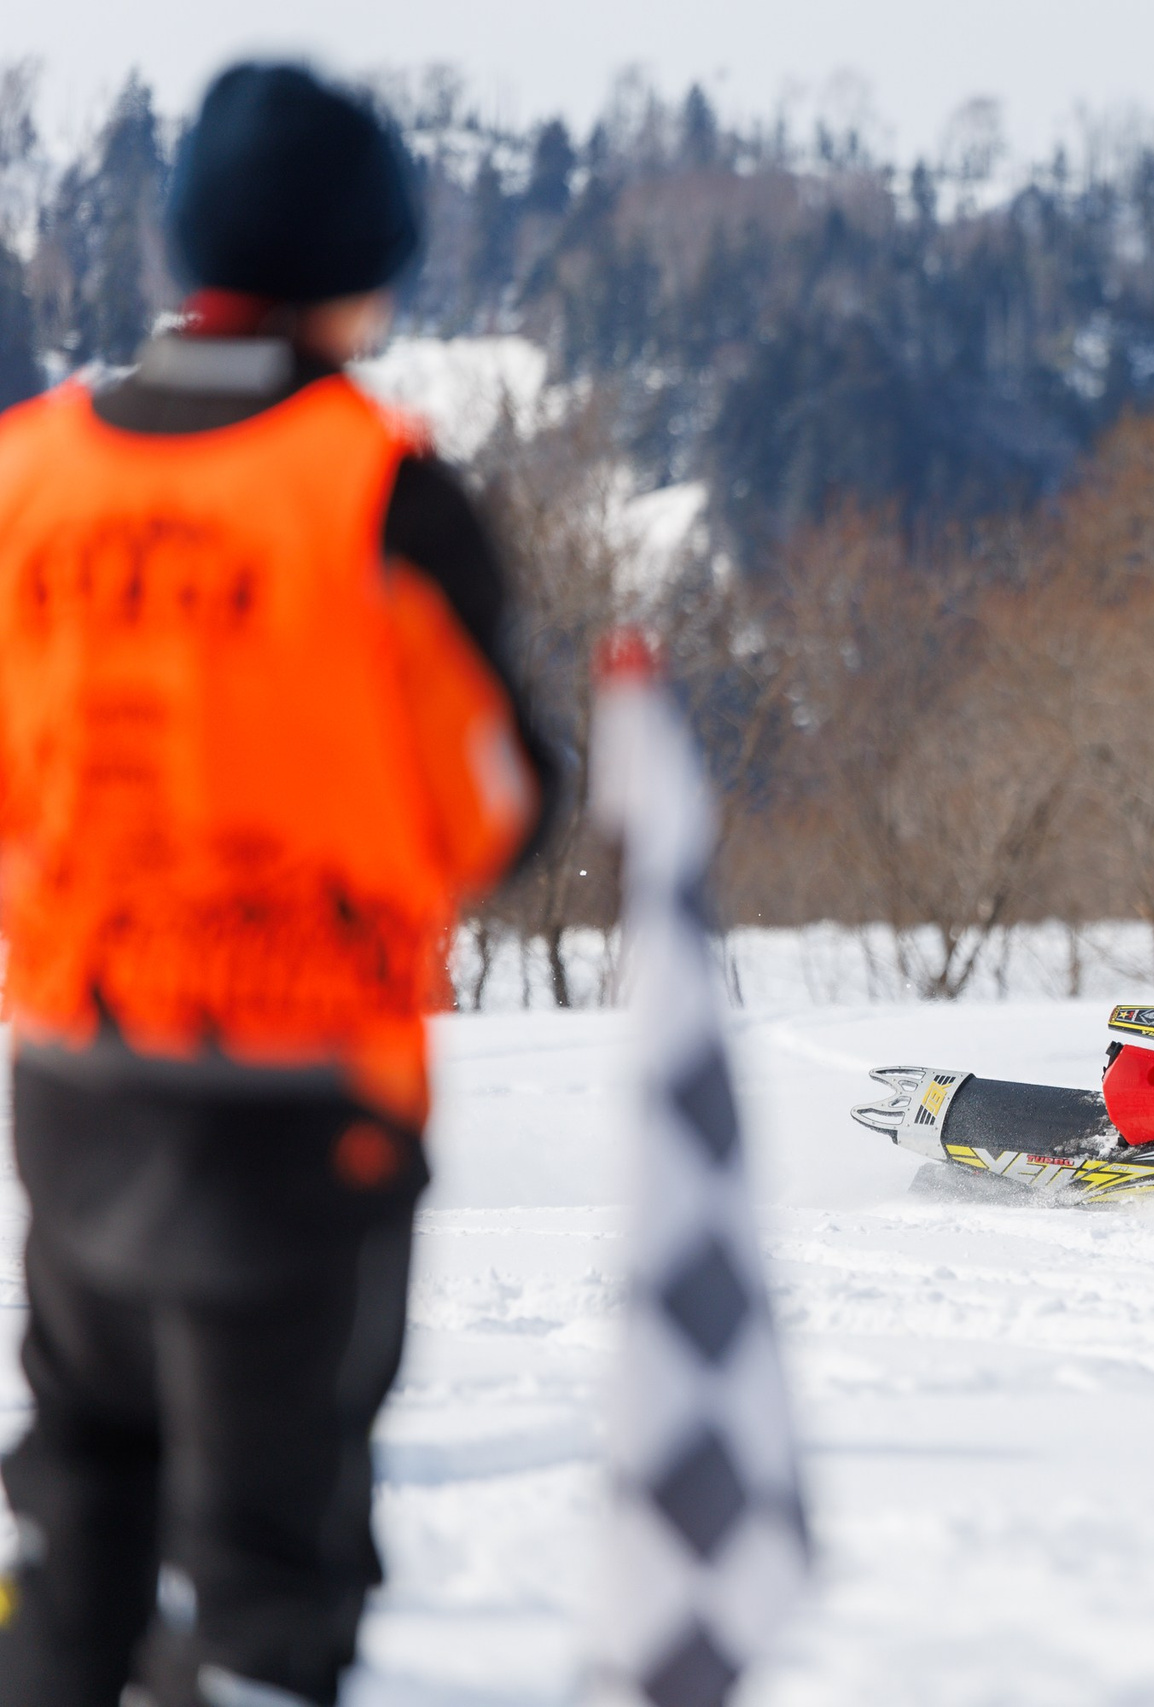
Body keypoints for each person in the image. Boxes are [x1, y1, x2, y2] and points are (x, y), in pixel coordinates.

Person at [0, 64, 555, 1707]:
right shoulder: (374, 485)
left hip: (73, 1072)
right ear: (363, 259)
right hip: (297, 1095)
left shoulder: (30, 472)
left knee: (81, 1480)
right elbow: (494, 809)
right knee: (269, 1546)